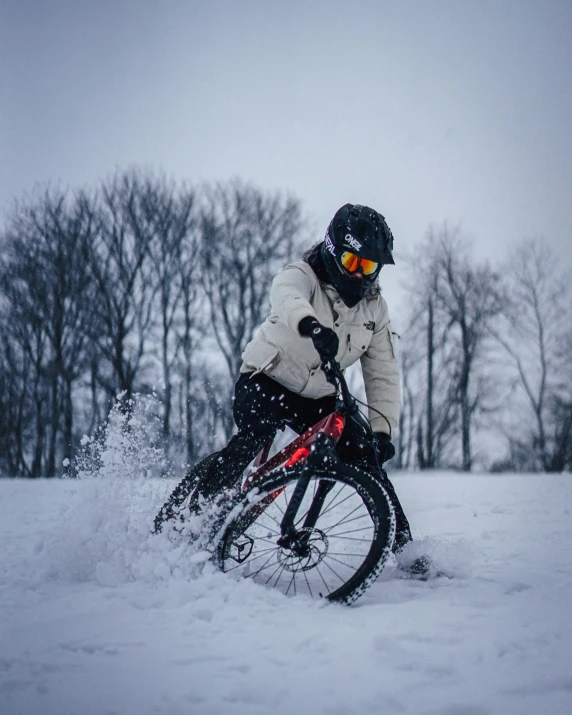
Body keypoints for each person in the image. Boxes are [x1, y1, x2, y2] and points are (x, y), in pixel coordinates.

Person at [155, 203, 418, 567]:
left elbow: (383, 371)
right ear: (331, 250)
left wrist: (382, 430)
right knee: (255, 435)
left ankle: (406, 551)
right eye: (353, 263)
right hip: (266, 378)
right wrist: (311, 326)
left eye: (368, 267)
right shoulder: (304, 275)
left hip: (318, 397)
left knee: (366, 456)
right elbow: (286, 295)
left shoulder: (375, 309)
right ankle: (191, 518)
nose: (359, 276)